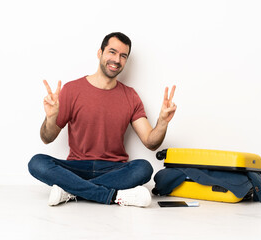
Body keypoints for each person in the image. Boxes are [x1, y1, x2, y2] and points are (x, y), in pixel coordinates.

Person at [28, 32, 177, 207]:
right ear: (100, 53)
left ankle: (71, 191)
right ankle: (112, 196)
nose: (117, 59)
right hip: (76, 168)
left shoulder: (130, 96)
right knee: (37, 162)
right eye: (112, 52)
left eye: (123, 56)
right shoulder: (72, 89)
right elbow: (47, 138)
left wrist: (162, 122)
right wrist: (51, 117)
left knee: (144, 168)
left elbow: (151, 142)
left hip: (113, 169)